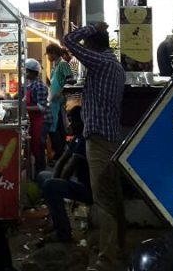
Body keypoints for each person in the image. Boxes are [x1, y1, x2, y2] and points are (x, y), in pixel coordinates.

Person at [63, 22, 126, 271]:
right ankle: (118, 251)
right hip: (111, 137)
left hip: (100, 139)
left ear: (92, 44)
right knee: (114, 198)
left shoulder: (101, 63)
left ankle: (108, 260)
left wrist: (91, 27)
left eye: (87, 42)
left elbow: (68, 40)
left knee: (104, 200)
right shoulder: (115, 65)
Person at [37, 106, 92, 245]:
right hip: (76, 181)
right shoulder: (76, 139)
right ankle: (56, 219)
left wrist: (56, 183)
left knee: (50, 185)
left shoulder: (85, 139)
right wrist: (55, 179)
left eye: (74, 121)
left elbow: (69, 169)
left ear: (84, 122)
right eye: (70, 121)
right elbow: (61, 161)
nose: (71, 125)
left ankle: (63, 232)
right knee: (43, 175)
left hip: (87, 188)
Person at [23, 58, 50, 177]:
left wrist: (23, 108)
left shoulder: (39, 86)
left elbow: (42, 107)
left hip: (42, 121)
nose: (25, 73)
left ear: (34, 73)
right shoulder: (30, 85)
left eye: (27, 71)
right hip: (34, 120)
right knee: (34, 147)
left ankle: (41, 176)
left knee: (39, 148)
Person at [45, 43, 72, 158]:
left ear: (53, 53)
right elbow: (53, 84)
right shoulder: (55, 67)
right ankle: (60, 153)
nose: (47, 57)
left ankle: (60, 153)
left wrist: (60, 93)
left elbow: (70, 80)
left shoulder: (63, 64)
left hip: (59, 102)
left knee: (55, 129)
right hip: (54, 102)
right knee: (57, 127)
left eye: (48, 54)